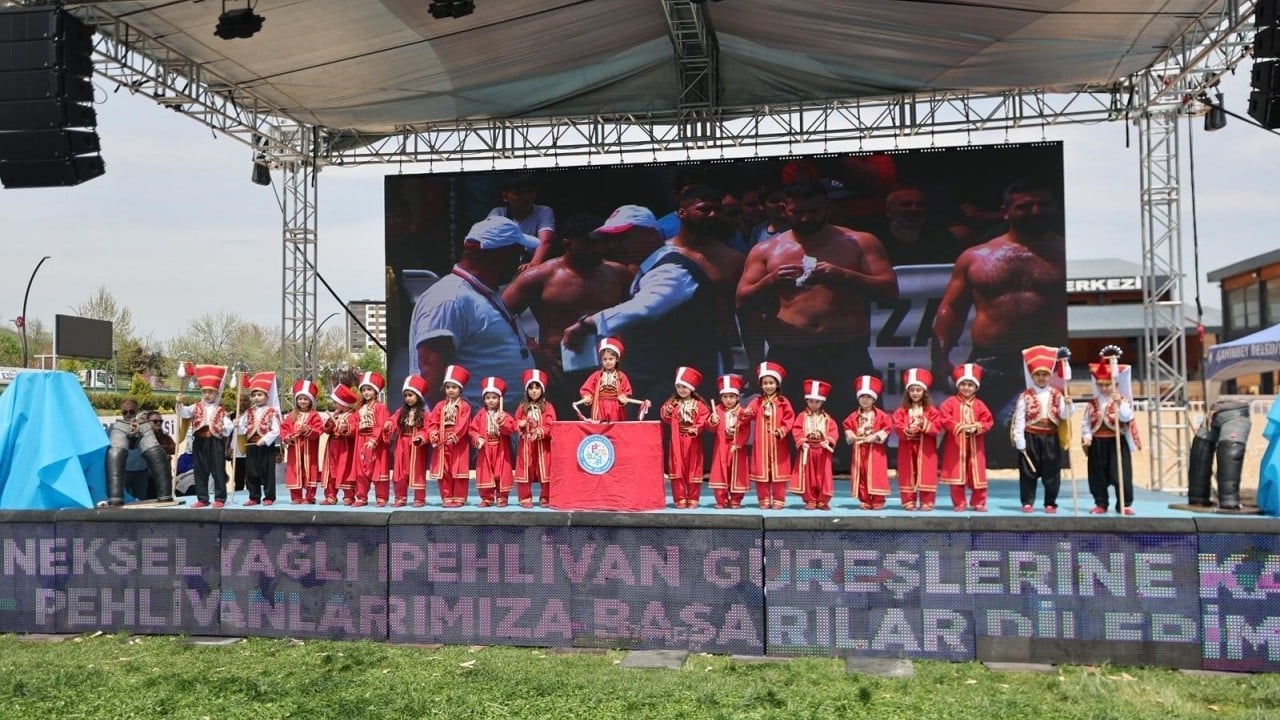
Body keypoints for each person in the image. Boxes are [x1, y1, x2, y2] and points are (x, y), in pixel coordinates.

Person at [736, 180, 898, 428]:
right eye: (797, 212)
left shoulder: (859, 242)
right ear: (784, 209)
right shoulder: (766, 250)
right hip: (790, 354)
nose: (805, 219)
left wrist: (843, 276)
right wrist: (771, 281)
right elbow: (742, 303)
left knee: (860, 434)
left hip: (846, 351)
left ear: (826, 207)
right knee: (790, 437)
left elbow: (889, 291)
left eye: (812, 211)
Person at [563, 186, 745, 404]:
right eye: (610, 239)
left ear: (650, 234)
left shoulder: (673, 269)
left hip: (682, 388)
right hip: (660, 385)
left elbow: (646, 306)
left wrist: (590, 323)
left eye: (623, 238)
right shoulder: (650, 268)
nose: (613, 246)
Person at [931, 179, 1067, 468]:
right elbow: (951, 311)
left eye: (1043, 204)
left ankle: (1041, 502)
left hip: (1046, 361)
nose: (1035, 211)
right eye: (1025, 206)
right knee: (960, 436)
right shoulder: (977, 257)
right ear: (1006, 211)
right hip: (989, 360)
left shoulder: (1068, 254)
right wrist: (940, 358)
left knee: (1042, 438)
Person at [501, 213, 633, 418]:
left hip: (610, 372)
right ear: (567, 244)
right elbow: (500, 315)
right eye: (588, 244)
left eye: (601, 243)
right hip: (557, 368)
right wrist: (532, 349)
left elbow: (636, 313)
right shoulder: (539, 276)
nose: (596, 249)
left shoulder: (618, 274)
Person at [412, 215, 538, 408]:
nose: (520, 263)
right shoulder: (449, 298)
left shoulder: (484, 292)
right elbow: (431, 373)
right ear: (502, 256)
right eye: (519, 255)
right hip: (469, 432)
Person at [1013, 345, 1071, 514]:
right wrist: (1020, 440)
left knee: (1052, 471)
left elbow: (1064, 416)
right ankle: (1027, 502)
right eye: (1038, 375)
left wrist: (1068, 406)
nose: (1041, 378)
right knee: (1028, 471)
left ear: (1049, 376)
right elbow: (1019, 419)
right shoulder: (1025, 396)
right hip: (1031, 436)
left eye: (1045, 374)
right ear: (1033, 376)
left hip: (1050, 437)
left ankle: (1050, 503)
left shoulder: (1057, 394)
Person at [1081, 358, 1139, 516]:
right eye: (1101, 385)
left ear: (1115, 385)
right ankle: (1101, 503)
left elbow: (1127, 417)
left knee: (1121, 474)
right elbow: (1086, 423)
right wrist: (1087, 436)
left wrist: (1119, 403)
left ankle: (1124, 504)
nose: (1104, 388)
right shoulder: (1092, 403)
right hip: (1098, 443)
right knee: (1097, 475)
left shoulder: (1123, 401)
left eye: (1107, 384)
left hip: (1116, 442)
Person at [175, 364, 233, 509]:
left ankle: (220, 498)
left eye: (210, 392)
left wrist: (226, 427)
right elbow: (183, 413)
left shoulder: (221, 410)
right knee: (200, 470)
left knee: (218, 470)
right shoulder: (195, 407)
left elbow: (228, 426)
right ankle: (202, 498)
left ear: (216, 393)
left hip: (215, 442)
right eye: (205, 392)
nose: (207, 394)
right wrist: (179, 402)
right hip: (199, 441)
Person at [864, 186, 968, 266]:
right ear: (888, 212)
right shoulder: (872, 237)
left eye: (920, 205)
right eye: (906, 204)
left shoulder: (942, 236)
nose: (914, 209)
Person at [939, 364, 994, 512]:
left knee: (978, 474)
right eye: (963, 384)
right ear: (958, 385)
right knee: (957, 474)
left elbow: (988, 421)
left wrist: (977, 427)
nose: (966, 388)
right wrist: (958, 426)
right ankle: (959, 503)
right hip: (956, 445)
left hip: (976, 446)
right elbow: (944, 418)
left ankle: (979, 502)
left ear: (976, 387)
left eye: (970, 385)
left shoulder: (980, 405)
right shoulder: (950, 402)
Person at [105, 399, 173, 505]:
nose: (128, 414)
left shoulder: (145, 426)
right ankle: (115, 498)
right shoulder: (113, 428)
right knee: (115, 455)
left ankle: (165, 495)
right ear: (121, 412)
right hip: (126, 471)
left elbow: (159, 453)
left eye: (131, 411)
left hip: (141, 471)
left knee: (157, 455)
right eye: (125, 412)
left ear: (136, 411)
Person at [892, 368, 942, 511]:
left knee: (927, 473)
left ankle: (927, 501)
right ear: (908, 392)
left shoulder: (931, 411)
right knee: (908, 473)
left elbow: (937, 427)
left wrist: (924, 424)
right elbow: (897, 424)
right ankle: (908, 501)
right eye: (912, 390)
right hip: (907, 446)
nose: (915, 393)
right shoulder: (901, 410)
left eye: (918, 390)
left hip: (925, 447)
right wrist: (906, 429)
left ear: (924, 392)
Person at [746, 361, 794, 509]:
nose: (768, 386)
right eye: (765, 383)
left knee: (778, 472)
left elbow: (789, 418)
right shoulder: (757, 401)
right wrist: (745, 413)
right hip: (761, 443)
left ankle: (779, 499)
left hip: (777, 443)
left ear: (777, 384)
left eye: (771, 383)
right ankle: (764, 499)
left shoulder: (783, 402)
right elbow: (748, 414)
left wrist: (781, 431)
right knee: (762, 472)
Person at [660, 366, 710, 508]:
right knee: (677, 468)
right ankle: (680, 498)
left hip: (692, 441)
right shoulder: (673, 403)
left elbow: (704, 418)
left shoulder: (700, 405)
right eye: (679, 387)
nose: (682, 390)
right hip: (677, 440)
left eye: (685, 387)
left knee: (693, 468)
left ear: (691, 388)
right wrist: (668, 411)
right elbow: (665, 416)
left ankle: (693, 498)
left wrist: (697, 428)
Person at [843, 376, 892, 510]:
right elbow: (847, 426)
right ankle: (864, 499)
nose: (865, 400)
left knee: (876, 474)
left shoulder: (881, 415)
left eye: (868, 397)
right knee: (862, 474)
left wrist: (875, 437)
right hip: (859, 450)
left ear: (874, 399)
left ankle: (878, 500)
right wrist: (851, 434)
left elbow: (887, 427)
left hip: (875, 450)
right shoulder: (853, 416)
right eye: (862, 396)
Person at [487, 174, 557, 267]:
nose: (525, 197)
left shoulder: (543, 211)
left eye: (529, 192)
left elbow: (545, 241)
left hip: (536, 266)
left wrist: (533, 264)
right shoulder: (497, 213)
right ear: (505, 197)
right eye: (517, 193)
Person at [791, 379, 838, 511]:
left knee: (823, 476)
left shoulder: (827, 418)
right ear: (806, 401)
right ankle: (810, 499)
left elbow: (834, 431)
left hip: (822, 451)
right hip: (808, 450)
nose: (814, 404)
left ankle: (823, 500)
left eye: (817, 401)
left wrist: (828, 440)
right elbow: (797, 429)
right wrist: (802, 441)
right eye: (811, 401)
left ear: (822, 402)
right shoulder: (801, 416)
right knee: (808, 476)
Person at [429, 365, 473, 507]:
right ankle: (447, 496)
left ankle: (459, 497)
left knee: (458, 469)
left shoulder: (465, 406)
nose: (451, 390)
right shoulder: (439, 406)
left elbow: (464, 422)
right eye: (448, 387)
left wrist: (456, 435)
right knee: (444, 469)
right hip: (442, 440)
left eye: (454, 387)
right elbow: (432, 422)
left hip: (458, 441)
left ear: (460, 389)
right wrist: (434, 433)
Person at [470, 376, 516, 507]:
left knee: (500, 472)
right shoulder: (480, 415)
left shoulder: (504, 415)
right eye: (488, 397)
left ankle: (502, 497)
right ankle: (487, 498)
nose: (491, 400)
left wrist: (504, 423)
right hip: (486, 448)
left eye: (494, 397)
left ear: (499, 399)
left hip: (500, 448)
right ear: (484, 399)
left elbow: (511, 429)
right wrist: (477, 438)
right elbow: (472, 430)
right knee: (486, 472)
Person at [238, 371, 281, 507]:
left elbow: (276, 429)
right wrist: (237, 424)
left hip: (266, 446)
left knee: (267, 472)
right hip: (251, 444)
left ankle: (269, 496)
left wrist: (266, 439)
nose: (256, 398)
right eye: (254, 395)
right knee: (251, 472)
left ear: (266, 397)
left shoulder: (271, 412)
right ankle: (254, 496)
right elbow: (243, 428)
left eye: (259, 395)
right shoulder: (248, 412)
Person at [707, 374, 751, 509]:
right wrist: (712, 422)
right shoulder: (717, 411)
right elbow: (710, 428)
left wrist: (738, 443)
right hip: (721, 446)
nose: (728, 400)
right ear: (721, 398)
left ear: (738, 397)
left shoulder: (742, 412)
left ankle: (736, 499)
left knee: (737, 472)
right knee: (720, 471)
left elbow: (745, 430)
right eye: (725, 397)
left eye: (732, 396)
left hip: (736, 446)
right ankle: (721, 500)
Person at [280, 379, 325, 505]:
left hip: (309, 449)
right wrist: (288, 436)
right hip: (295, 448)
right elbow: (284, 428)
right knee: (294, 470)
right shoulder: (291, 415)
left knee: (310, 470)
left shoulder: (314, 415)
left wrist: (308, 430)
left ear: (310, 400)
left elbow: (319, 430)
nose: (303, 401)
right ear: (296, 400)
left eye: (306, 399)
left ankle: (309, 497)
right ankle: (296, 496)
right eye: (300, 399)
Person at [515, 368, 555, 508]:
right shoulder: (522, 407)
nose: (534, 391)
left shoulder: (548, 407)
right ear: (526, 390)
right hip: (526, 444)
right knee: (525, 470)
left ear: (542, 390)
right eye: (531, 388)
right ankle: (525, 498)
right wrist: (521, 424)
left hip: (542, 444)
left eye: (537, 387)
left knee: (545, 471)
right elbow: (516, 422)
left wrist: (540, 431)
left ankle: (546, 497)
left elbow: (551, 425)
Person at [390, 375, 431, 508]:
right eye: (406, 395)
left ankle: (419, 498)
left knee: (417, 471)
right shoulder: (401, 411)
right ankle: (400, 497)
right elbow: (392, 421)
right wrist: (388, 424)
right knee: (400, 471)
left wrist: (421, 437)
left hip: (416, 445)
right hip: (402, 444)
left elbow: (427, 429)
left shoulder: (424, 413)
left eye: (411, 395)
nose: (408, 398)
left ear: (418, 396)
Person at [353, 371, 390, 507]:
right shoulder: (360, 408)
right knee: (361, 470)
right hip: (361, 440)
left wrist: (374, 440)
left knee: (377, 469)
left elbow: (381, 424)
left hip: (375, 442)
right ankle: (361, 497)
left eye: (369, 389)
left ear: (375, 392)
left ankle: (381, 497)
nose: (366, 392)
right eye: (363, 390)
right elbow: (354, 423)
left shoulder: (380, 407)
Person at [576, 337, 634, 422]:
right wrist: (587, 396)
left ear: (617, 359)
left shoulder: (621, 376)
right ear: (601, 360)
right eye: (605, 359)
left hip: (615, 407)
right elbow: (586, 389)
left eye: (611, 359)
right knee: (600, 427)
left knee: (614, 427)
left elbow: (627, 391)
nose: (608, 361)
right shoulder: (596, 375)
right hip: (600, 406)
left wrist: (624, 397)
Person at [321, 384, 359, 505]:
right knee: (331, 470)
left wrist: (344, 428)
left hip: (345, 447)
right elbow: (326, 431)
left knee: (346, 470)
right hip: (332, 445)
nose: (334, 405)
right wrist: (330, 423)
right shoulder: (335, 414)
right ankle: (331, 496)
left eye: (336, 403)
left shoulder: (353, 415)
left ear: (344, 403)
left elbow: (353, 430)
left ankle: (348, 496)